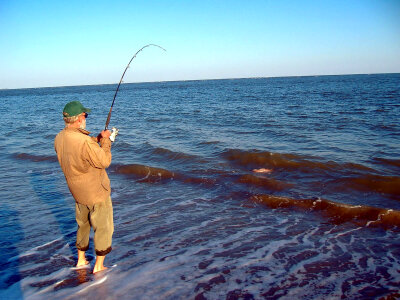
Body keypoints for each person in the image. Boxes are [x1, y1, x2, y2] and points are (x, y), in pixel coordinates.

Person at [54, 100, 115, 274]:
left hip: (78, 193)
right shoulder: (83, 142)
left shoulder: (59, 138)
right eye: (85, 115)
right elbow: (104, 161)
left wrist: (96, 138)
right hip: (96, 192)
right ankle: (99, 266)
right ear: (79, 119)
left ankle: (81, 260)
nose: (86, 118)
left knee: (83, 225)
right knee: (104, 227)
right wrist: (106, 141)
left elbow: (77, 151)